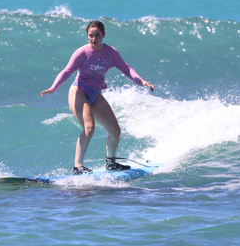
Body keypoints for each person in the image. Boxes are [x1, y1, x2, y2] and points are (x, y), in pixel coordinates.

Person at [40, 20, 154, 175]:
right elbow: (67, 71)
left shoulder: (111, 53)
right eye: (90, 36)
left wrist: (141, 81)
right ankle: (78, 166)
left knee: (115, 130)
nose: (93, 39)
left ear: (103, 35)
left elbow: (126, 68)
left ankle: (111, 163)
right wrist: (54, 88)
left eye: (97, 35)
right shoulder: (83, 52)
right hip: (79, 91)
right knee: (89, 127)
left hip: (96, 94)